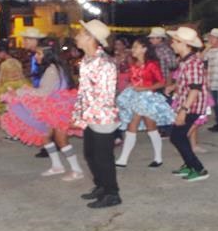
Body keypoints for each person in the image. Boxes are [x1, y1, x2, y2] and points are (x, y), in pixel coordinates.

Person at [0, 47, 84, 181]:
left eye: (39, 54)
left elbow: (43, 92)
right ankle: (57, 166)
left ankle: (77, 170)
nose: (36, 56)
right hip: (55, 107)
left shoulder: (52, 69)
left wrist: (20, 92)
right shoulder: (54, 67)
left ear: (48, 55)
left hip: (58, 109)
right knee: (45, 136)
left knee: (61, 140)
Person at [72, 19, 122, 209]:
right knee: (90, 155)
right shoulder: (87, 60)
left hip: (102, 117)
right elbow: (83, 92)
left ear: (90, 38)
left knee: (103, 158)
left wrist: (87, 114)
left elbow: (105, 96)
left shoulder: (104, 63)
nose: (76, 37)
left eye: (80, 34)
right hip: (90, 116)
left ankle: (112, 193)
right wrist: (79, 114)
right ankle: (101, 186)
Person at [115, 37, 174, 167]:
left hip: (147, 98)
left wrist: (144, 88)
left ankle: (157, 158)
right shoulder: (133, 64)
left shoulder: (151, 64)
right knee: (135, 126)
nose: (133, 49)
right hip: (135, 97)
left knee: (149, 127)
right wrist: (131, 86)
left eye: (136, 47)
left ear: (144, 49)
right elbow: (134, 80)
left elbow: (161, 82)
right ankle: (124, 159)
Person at [166, 27, 210, 182]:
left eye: (174, 41)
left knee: (177, 137)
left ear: (184, 44)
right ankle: (189, 165)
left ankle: (198, 169)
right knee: (178, 137)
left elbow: (195, 88)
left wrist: (184, 110)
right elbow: (187, 82)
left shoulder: (192, 63)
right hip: (188, 104)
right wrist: (174, 87)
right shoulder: (185, 61)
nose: (172, 44)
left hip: (192, 106)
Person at [19, 27, 50, 158]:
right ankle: (49, 145)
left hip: (45, 90)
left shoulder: (42, 53)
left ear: (34, 40)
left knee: (45, 119)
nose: (24, 42)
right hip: (39, 88)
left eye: (26, 39)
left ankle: (50, 145)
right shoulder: (35, 54)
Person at [0, 47, 31, 120]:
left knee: (2, 107)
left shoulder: (4, 64)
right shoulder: (17, 61)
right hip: (21, 84)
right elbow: (21, 74)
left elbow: (1, 79)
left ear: (3, 52)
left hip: (8, 86)